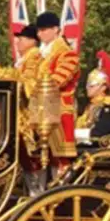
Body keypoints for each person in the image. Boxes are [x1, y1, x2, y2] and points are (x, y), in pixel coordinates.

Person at [35, 11, 81, 177]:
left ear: (55, 29)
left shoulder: (67, 53)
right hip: (43, 110)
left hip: (60, 111)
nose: (40, 34)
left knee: (61, 160)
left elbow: (57, 81)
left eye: (44, 29)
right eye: (39, 30)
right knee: (44, 158)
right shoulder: (43, 55)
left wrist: (34, 86)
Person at [15, 24, 46, 195]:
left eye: (21, 39)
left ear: (32, 41)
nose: (18, 42)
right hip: (22, 115)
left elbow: (31, 86)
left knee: (31, 160)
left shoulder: (33, 57)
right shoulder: (26, 58)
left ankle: (36, 196)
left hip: (28, 119)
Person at [76, 51, 110, 143]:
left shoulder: (107, 106)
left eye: (92, 85)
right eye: (87, 85)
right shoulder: (90, 105)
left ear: (103, 87)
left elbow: (100, 133)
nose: (87, 88)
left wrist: (74, 134)